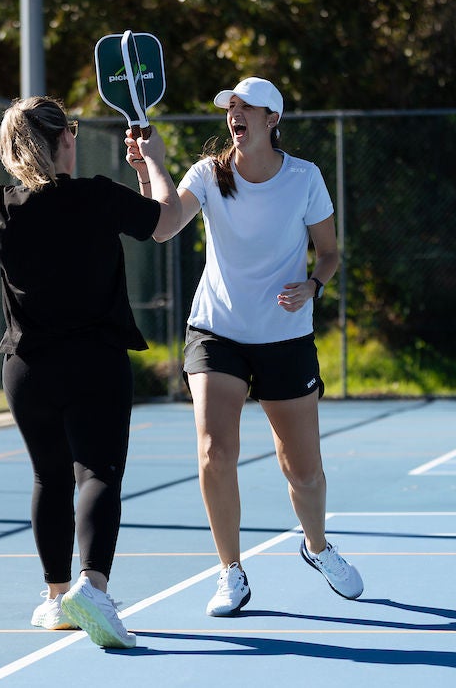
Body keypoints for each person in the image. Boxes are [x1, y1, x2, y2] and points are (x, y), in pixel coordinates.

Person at [0, 96, 181, 647]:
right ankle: (93, 588)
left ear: (11, 151)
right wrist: (154, 164)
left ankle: (55, 598)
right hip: (95, 362)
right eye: (71, 129)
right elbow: (165, 222)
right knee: (97, 475)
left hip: (27, 370)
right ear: (64, 139)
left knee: (49, 478)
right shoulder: (97, 195)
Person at [128, 77, 363, 616]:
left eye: (247, 107)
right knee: (215, 452)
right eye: (231, 107)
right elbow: (163, 227)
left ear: (271, 119)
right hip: (217, 331)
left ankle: (317, 546)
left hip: (285, 335)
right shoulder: (207, 175)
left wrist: (313, 285)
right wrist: (149, 168)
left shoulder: (305, 178)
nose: (235, 114)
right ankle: (230, 570)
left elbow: (329, 252)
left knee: (303, 470)